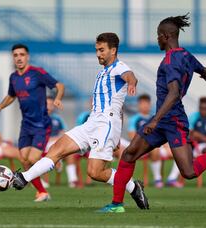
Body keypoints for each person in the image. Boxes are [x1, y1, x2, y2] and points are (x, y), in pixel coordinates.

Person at [100, 14, 206, 213]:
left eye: (158, 36)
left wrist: (156, 119)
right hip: (163, 120)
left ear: (166, 36)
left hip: (173, 120)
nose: (157, 40)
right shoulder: (186, 55)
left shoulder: (170, 61)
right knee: (129, 155)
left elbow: (173, 94)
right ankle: (117, 204)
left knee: (189, 172)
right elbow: (205, 71)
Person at [11, 32, 149, 210]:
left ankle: (132, 187)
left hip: (105, 125)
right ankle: (24, 178)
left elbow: (131, 75)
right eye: (96, 50)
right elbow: (119, 106)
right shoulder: (103, 72)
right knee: (57, 149)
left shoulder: (119, 67)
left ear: (113, 50)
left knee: (95, 172)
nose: (98, 54)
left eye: (102, 50)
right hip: (92, 122)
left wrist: (132, 83)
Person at [0, 44, 65, 202]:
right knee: (24, 159)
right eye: (15, 55)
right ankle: (42, 192)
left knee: (32, 159)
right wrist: (0, 107)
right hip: (26, 125)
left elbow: (59, 85)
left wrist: (57, 98)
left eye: (21, 54)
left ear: (27, 56)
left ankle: (54, 159)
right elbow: (11, 96)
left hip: (42, 124)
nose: (19, 58)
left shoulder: (37, 73)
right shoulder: (14, 77)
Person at [128, 94, 182, 188]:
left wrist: (166, 145)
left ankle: (171, 179)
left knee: (179, 152)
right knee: (154, 149)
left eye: (147, 103)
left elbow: (162, 135)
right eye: (142, 103)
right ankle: (158, 179)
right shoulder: (134, 119)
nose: (145, 106)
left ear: (150, 104)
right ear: (139, 105)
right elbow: (132, 136)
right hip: (142, 148)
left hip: (157, 146)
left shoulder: (155, 118)